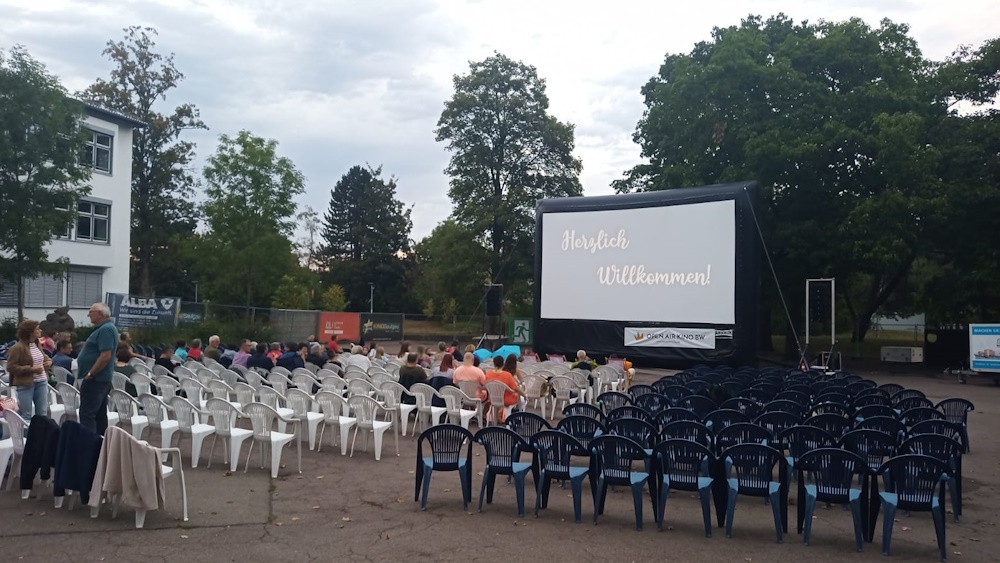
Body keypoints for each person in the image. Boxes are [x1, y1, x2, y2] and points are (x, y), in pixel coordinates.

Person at [77, 302, 119, 434]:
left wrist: (91, 373)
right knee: (99, 415)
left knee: (87, 414)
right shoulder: (103, 329)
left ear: (100, 314)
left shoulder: (106, 329)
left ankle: (88, 446)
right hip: (98, 378)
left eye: (91, 312)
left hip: (96, 378)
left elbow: (106, 355)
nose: (88, 315)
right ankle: (100, 444)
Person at [7, 319, 52, 420]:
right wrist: (31, 369)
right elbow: (11, 367)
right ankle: (25, 435)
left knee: (42, 413)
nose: (40, 330)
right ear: (30, 332)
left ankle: (40, 434)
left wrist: (49, 362)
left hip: (42, 382)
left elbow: (44, 357)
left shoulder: (37, 344)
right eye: (37, 329)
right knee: (26, 414)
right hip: (25, 384)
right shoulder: (17, 348)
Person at [486, 355, 523, 422]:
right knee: (520, 398)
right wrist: (524, 395)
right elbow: (515, 388)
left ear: (494, 363)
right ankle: (519, 417)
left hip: (493, 399)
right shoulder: (507, 375)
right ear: (503, 363)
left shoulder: (488, 374)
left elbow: (485, 386)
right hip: (506, 400)